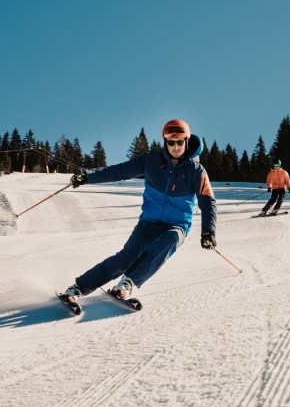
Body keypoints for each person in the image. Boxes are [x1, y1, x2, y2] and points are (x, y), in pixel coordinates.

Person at [58, 118, 217, 308]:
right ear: (165, 142)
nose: (175, 147)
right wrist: (88, 177)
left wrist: (208, 232)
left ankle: (127, 284)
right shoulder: (151, 161)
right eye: (171, 142)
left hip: (177, 224)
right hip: (149, 223)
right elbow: (119, 171)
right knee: (126, 258)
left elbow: (208, 202)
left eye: (180, 142)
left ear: (187, 141)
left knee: (171, 239)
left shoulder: (197, 171)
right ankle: (77, 288)